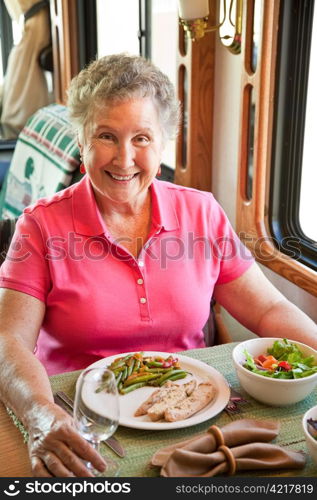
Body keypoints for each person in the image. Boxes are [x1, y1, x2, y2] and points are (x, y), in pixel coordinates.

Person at [0, 54, 316, 477]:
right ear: (81, 140)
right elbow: (8, 342)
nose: (124, 159)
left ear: (165, 142)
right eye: (106, 136)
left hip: (191, 410)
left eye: (142, 139)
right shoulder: (39, 225)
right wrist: (41, 415)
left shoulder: (202, 213)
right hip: (79, 423)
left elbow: (267, 310)